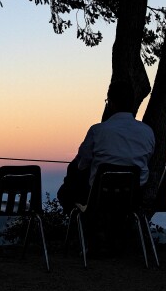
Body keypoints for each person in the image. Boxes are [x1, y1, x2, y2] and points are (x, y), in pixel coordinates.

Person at [58, 80, 155, 213]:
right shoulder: (147, 132)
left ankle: (81, 226)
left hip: (98, 196)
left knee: (67, 187)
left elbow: (81, 165)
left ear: (111, 103)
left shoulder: (97, 131)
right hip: (132, 199)